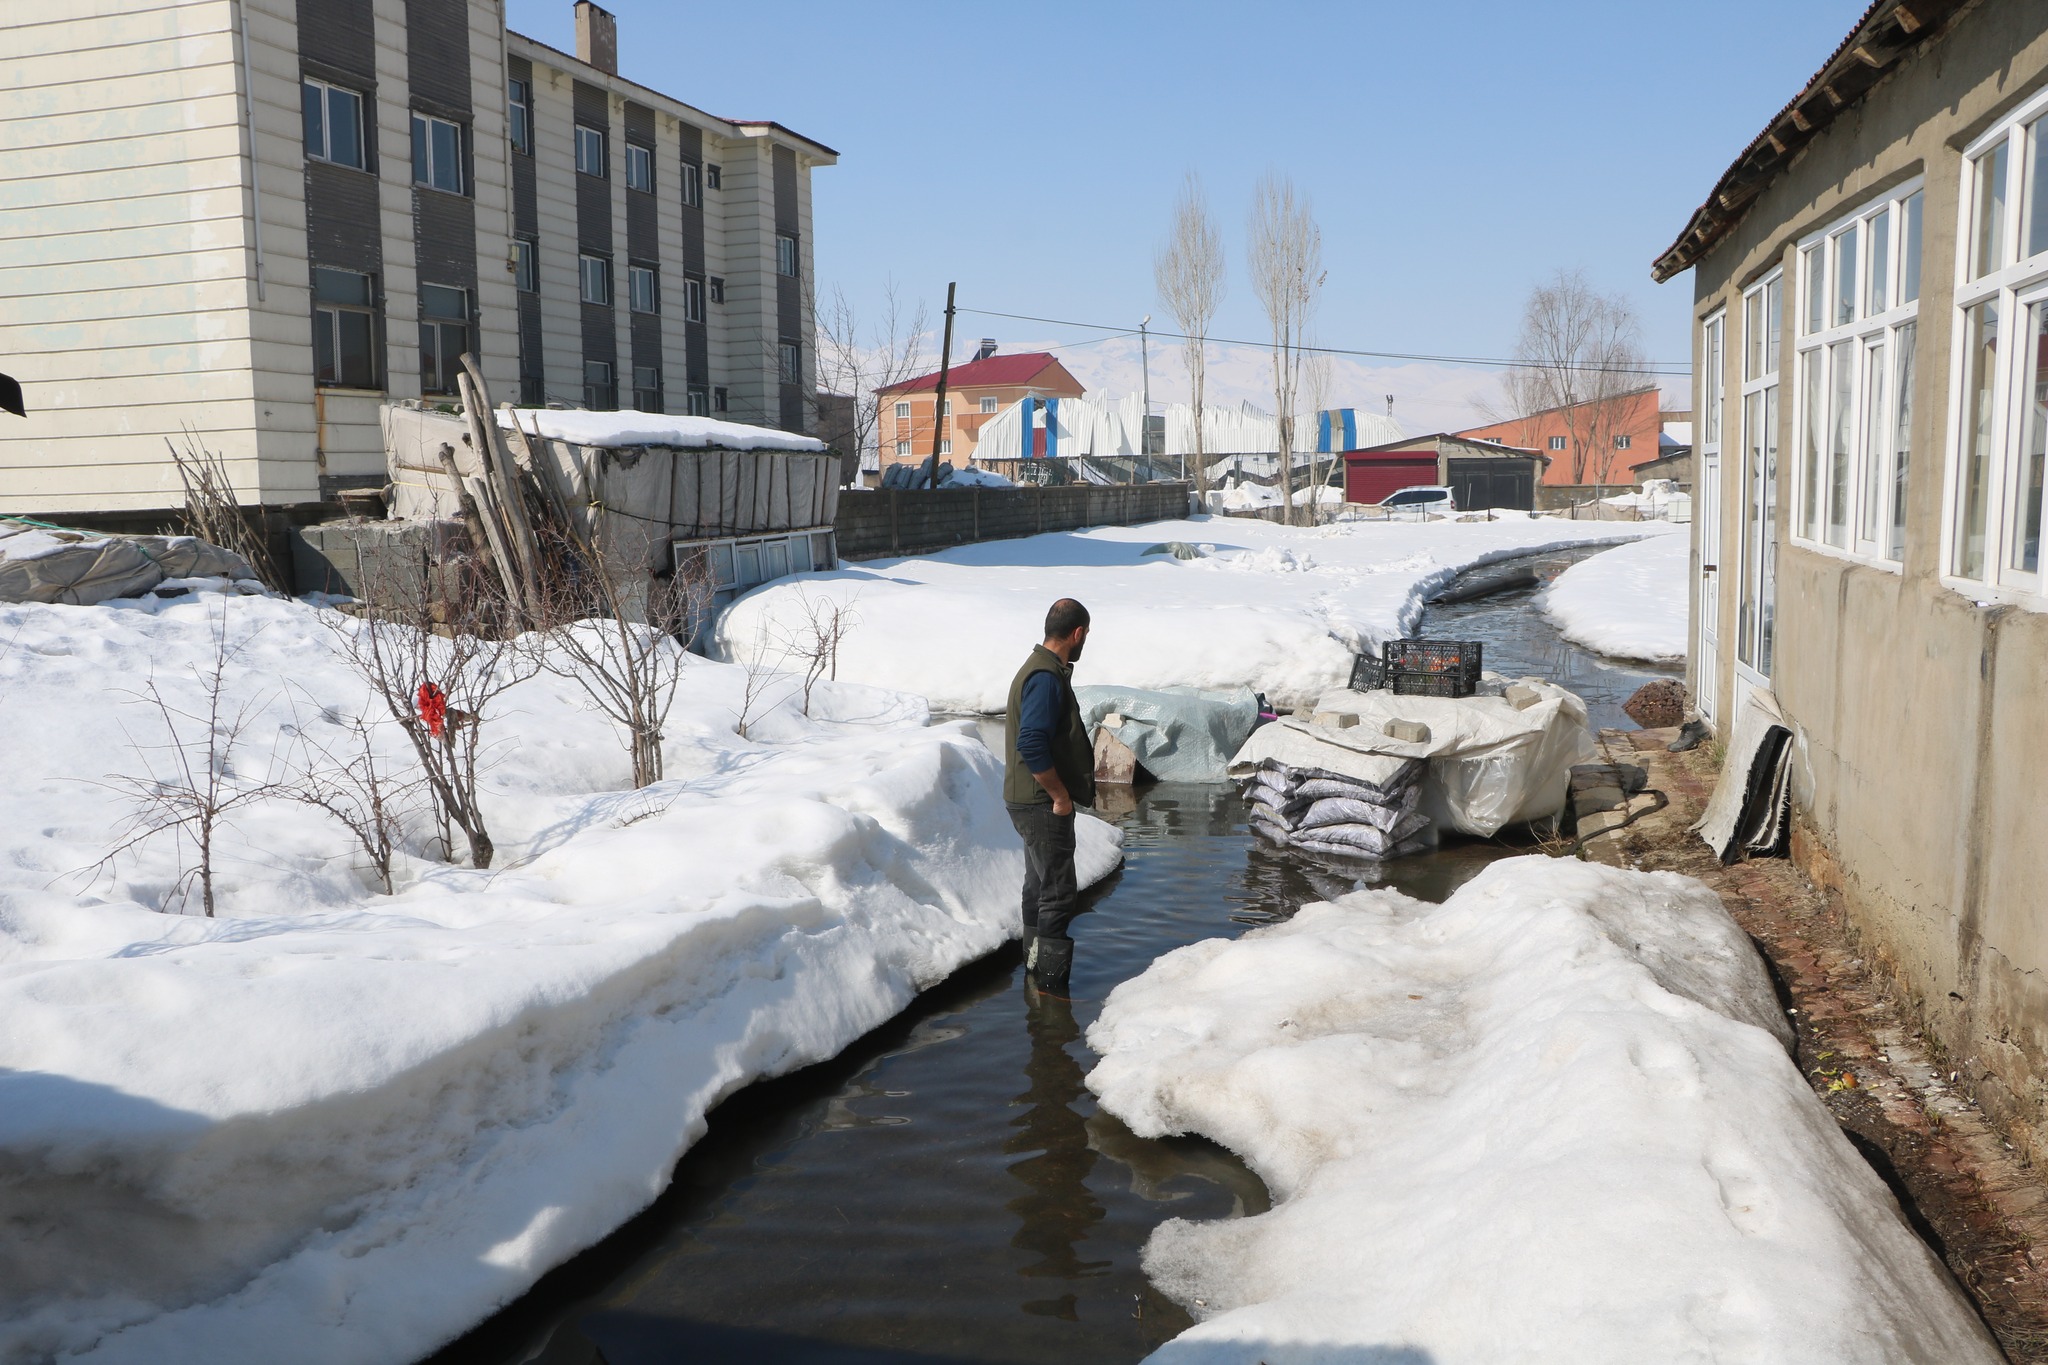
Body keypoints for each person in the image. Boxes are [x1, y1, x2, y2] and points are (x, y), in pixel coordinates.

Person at [1003, 598, 1096, 994]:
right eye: (1086, 636)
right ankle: (1050, 992)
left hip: (1025, 798)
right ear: (1077, 634)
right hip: (1041, 802)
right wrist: (1059, 796)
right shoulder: (1045, 677)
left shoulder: (1039, 667)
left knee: (1038, 886)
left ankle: (1032, 973)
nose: (1085, 641)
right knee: (1058, 892)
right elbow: (1031, 742)